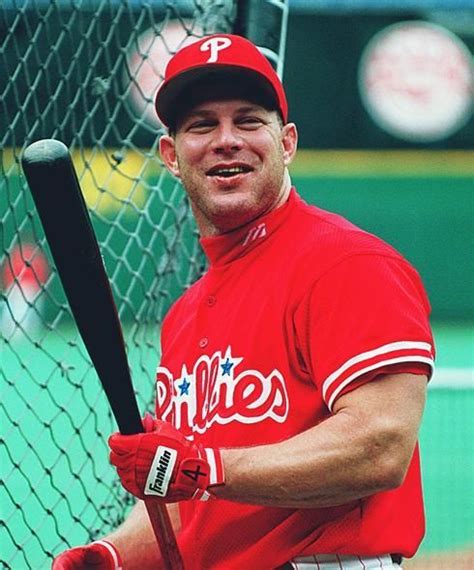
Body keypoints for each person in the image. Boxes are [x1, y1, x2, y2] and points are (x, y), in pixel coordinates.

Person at [52, 33, 435, 570]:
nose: (226, 139)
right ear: (170, 155)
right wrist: (112, 555)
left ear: (287, 143)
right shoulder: (185, 314)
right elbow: (191, 501)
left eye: (249, 121)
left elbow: (378, 445)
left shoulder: (348, 265)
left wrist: (202, 467)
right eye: (202, 125)